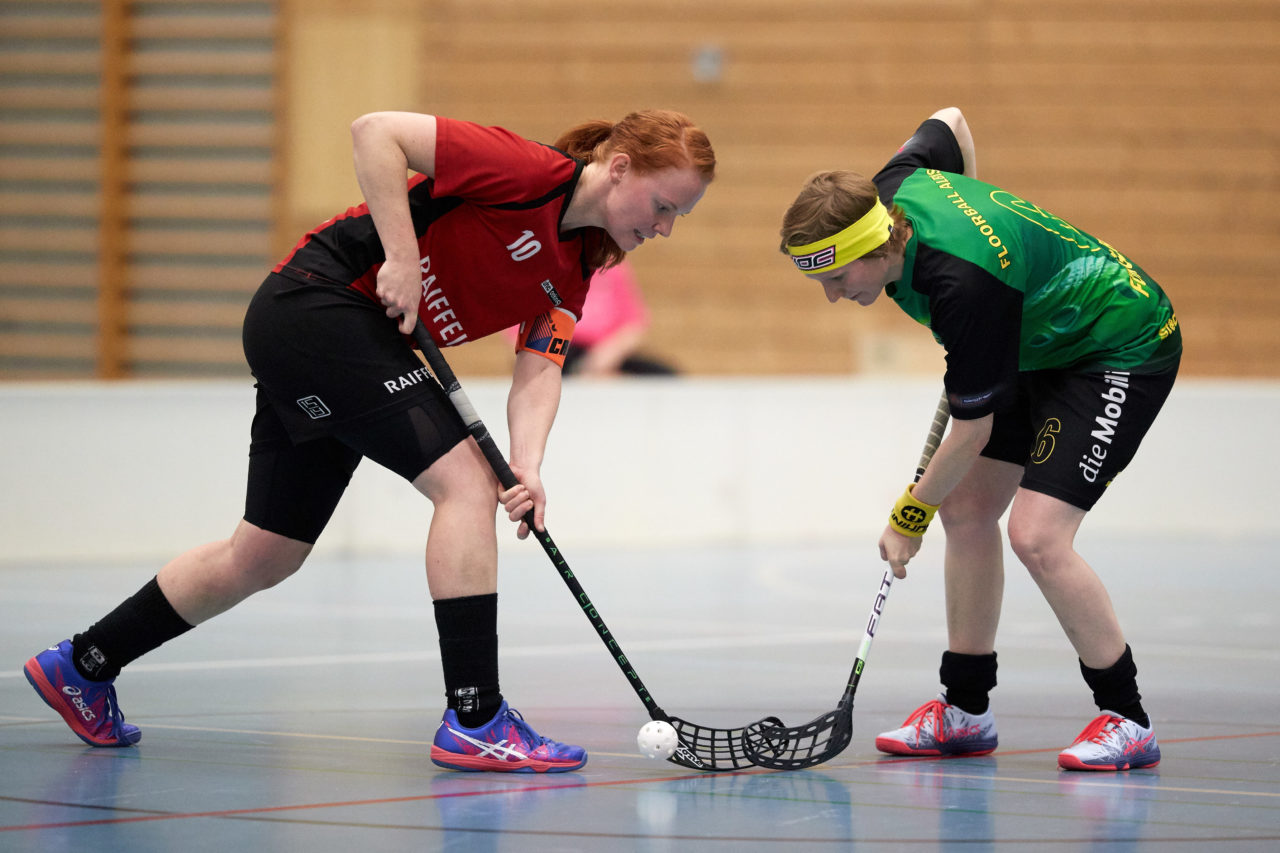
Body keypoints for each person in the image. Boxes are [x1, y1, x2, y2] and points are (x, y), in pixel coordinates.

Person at [24, 108, 715, 773]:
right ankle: (476, 718)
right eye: (663, 205)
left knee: (264, 553)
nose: (664, 227)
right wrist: (403, 257)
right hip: (320, 305)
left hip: (333, 338)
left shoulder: (578, 264)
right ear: (619, 168)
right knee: (466, 485)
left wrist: (527, 465)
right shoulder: (529, 172)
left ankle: (83, 664)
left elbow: (540, 366)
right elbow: (376, 132)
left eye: (677, 216)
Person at [779, 107, 1180, 772]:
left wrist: (909, 514)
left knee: (1037, 535)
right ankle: (966, 710)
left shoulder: (962, 283)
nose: (831, 295)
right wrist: (972, 201)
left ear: (878, 249)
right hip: (1030, 341)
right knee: (966, 510)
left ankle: (1128, 717)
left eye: (837, 278)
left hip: (1117, 342)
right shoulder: (892, 185)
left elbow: (972, 430)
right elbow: (951, 120)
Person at [505, 259, 676, 376]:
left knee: (664, 376)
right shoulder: (546, 269)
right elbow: (521, 331)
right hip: (561, 352)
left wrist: (604, 357)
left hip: (606, 352)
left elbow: (634, 323)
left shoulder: (612, 266)